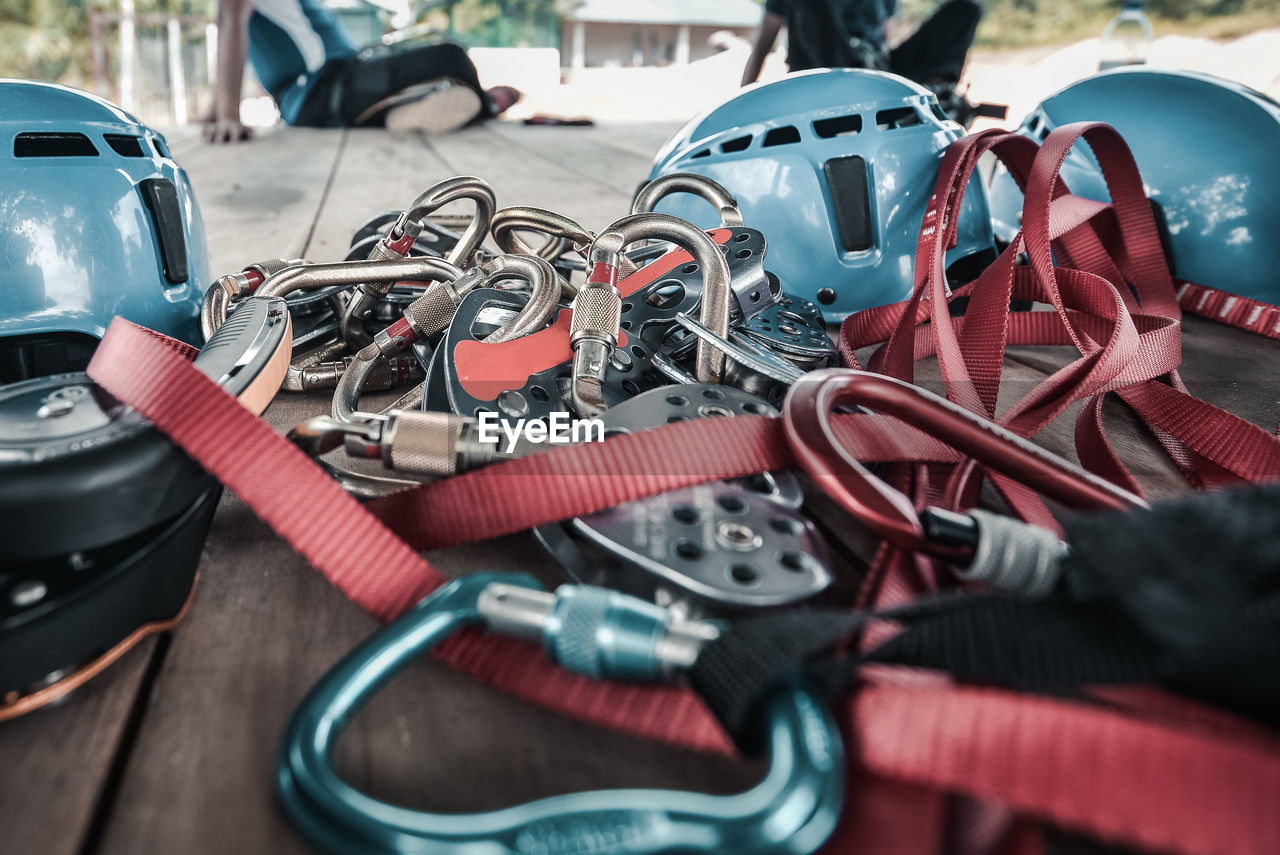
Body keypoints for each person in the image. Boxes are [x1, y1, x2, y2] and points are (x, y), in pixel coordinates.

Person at [207, 0, 519, 143]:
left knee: (434, 68)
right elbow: (230, 24)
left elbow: (225, 23)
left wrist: (214, 110)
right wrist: (228, 117)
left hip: (329, 93)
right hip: (328, 88)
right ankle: (486, 103)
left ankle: (395, 113)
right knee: (452, 57)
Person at [742, 0, 982, 89]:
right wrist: (742, 97)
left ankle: (937, 89)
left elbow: (886, 41)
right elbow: (763, 45)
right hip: (827, 67)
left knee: (966, 9)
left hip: (875, 70)